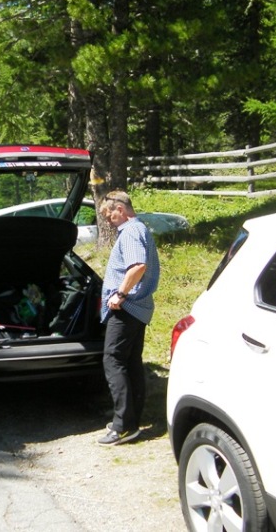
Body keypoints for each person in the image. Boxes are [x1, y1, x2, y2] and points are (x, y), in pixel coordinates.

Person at [97, 190, 160, 446]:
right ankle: (131, 421)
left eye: (108, 214)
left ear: (120, 210)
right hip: (138, 308)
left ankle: (123, 426)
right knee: (131, 361)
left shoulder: (132, 232)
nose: (108, 220)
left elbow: (137, 266)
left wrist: (120, 294)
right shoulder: (138, 230)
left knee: (113, 360)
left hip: (127, 308)